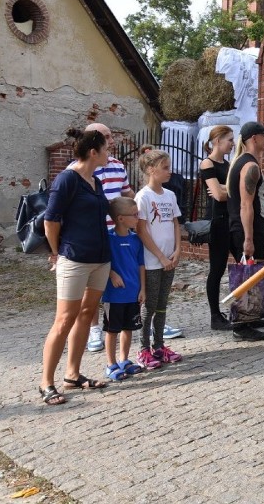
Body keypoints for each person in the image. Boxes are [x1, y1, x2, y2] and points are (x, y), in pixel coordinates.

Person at [40, 128, 112, 405]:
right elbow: (51, 220)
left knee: (87, 313)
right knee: (64, 320)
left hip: (100, 259)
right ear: (93, 152)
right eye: (106, 149)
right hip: (74, 257)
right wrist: (56, 253)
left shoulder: (96, 181)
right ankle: (46, 383)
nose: (109, 153)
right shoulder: (67, 179)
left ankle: (72, 375)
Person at [226, 121, 264, 342]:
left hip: (249, 225)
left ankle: (252, 315)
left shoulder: (245, 162)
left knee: (253, 272)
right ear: (254, 139)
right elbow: (245, 204)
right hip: (246, 227)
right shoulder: (249, 166)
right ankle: (241, 325)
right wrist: (248, 238)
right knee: (246, 275)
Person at [82, 123, 135, 353]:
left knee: (121, 275)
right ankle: (94, 328)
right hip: (95, 232)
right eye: (105, 137)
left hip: (119, 230)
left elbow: (127, 192)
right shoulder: (81, 168)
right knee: (92, 283)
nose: (111, 140)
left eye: (111, 135)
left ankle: (122, 319)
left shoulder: (117, 165)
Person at [134, 149, 183, 368]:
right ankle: (144, 349)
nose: (169, 171)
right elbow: (142, 230)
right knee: (150, 305)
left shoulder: (170, 195)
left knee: (162, 304)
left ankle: (160, 345)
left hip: (169, 259)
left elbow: (175, 223)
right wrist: (161, 257)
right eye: (165, 168)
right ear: (151, 170)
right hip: (153, 261)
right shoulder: (143, 196)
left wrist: (178, 249)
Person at [101, 197, 146, 380]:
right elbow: (102, 261)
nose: (138, 218)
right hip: (114, 295)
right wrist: (112, 273)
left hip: (133, 293)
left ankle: (124, 360)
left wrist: (143, 288)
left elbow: (141, 265)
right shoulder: (108, 239)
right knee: (112, 330)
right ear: (120, 218)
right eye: (134, 215)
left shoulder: (136, 239)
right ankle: (110, 364)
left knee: (128, 328)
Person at [198, 125, 236, 331]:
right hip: (218, 222)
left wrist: (226, 189)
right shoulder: (207, 163)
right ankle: (215, 316)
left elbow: (233, 190)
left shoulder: (229, 164)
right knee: (217, 268)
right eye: (229, 139)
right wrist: (228, 190)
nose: (233, 143)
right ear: (217, 141)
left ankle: (249, 308)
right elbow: (219, 196)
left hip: (231, 220)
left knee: (244, 264)